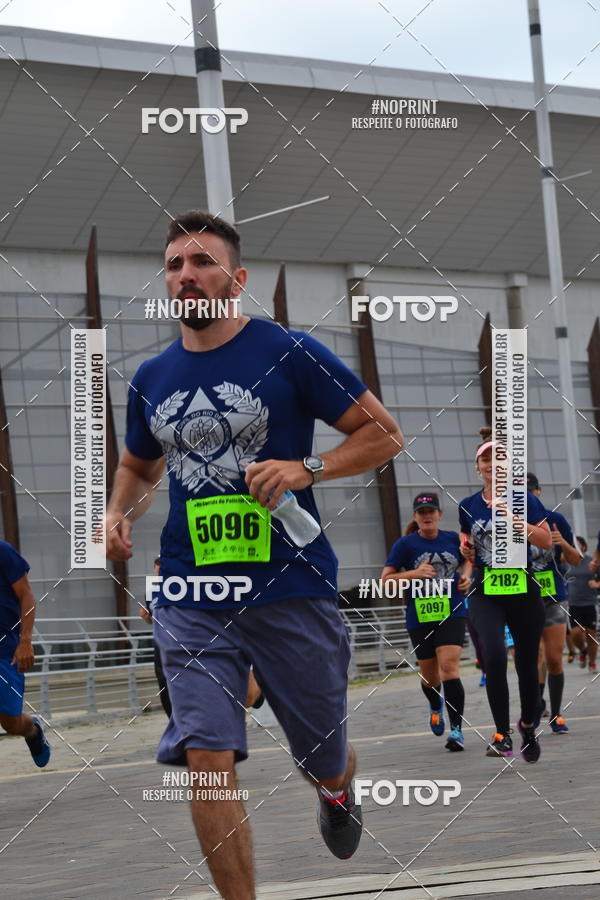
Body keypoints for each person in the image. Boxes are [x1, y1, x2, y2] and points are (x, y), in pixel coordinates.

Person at [106, 210, 403, 899]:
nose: (187, 274)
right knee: (206, 758)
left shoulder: (289, 351)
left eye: (203, 261)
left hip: (289, 585)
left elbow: (383, 434)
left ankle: (335, 788)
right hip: (190, 593)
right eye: (176, 263)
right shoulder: (151, 376)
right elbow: (139, 467)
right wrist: (117, 510)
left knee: (320, 756)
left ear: (236, 279)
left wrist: (308, 467)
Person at [459, 427, 551, 763]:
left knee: (526, 663)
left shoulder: (523, 498)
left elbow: (545, 541)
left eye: (498, 458)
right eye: (485, 459)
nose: (491, 464)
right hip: (487, 591)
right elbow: (465, 538)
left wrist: (515, 522)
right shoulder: (468, 504)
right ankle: (502, 735)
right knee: (494, 657)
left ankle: (527, 724)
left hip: (523, 589)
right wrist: (465, 548)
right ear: (478, 467)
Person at [381, 492, 471, 752]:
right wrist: (414, 573)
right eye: (422, 513)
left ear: (439, 515)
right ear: (415, 517)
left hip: (451, 610)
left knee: (449, 668)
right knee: (430, 677)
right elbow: (386, 579)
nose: (427, 516)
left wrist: (466, 577)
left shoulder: (453, 539)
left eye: (431, 511)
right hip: (419, 614)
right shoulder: (405, 545)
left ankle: (456, 730)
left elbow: (468, 562)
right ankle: (435, 705)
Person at [140, 557, 263, 715]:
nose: (159, 570)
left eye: (163, 565)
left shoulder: (200, 583)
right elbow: (151, 614)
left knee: (247, 697)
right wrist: (150, 617)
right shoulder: (153, 590)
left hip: (212, 642)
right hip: (167, 650)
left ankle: (263, 677)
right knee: (175, 707)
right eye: (157, 566)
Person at [526, 472, 580, 734]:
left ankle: (556, 714)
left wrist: (563, 544)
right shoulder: (509, 520)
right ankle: (536, 706)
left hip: (554, 597)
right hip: (523, 598)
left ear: (539, 491)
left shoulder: (556, 519)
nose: (527, 497)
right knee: (534, 657)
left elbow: (576, 560)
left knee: (554, 658)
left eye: (530, 491)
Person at [0, 540, 51, 767]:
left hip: (5, 652)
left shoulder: (3, 551)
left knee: (11, 724)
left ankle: (32, 729)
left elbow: (26, 595)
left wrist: (26, 641)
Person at [568, 537, 598, 673]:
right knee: (575, 633)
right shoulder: (567, 562)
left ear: (584, 547)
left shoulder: (592, 562)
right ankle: (583, 651)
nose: (574, 547)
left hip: (590, 603)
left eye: (577, 545)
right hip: (573, 604)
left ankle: (592, 663)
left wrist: (597, 584)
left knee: (591, 635)